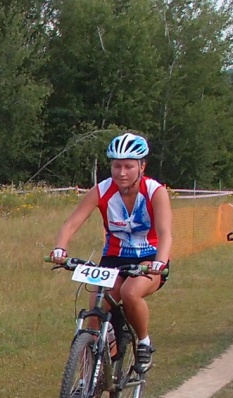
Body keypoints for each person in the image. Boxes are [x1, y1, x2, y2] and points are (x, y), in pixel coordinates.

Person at [49, 132, 172, 373]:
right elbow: (71, 223)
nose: (121, 172)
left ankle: (144, 342)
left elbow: (165, 232)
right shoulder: (102, 190)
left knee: (130, 292)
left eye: (128, 166)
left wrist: (160, 261)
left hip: (149, 258)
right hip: (114, 259)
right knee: (95, 308)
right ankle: (87, 378)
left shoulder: (155, 192)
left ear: (142, 166)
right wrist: (60, 248)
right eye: (117, 166)